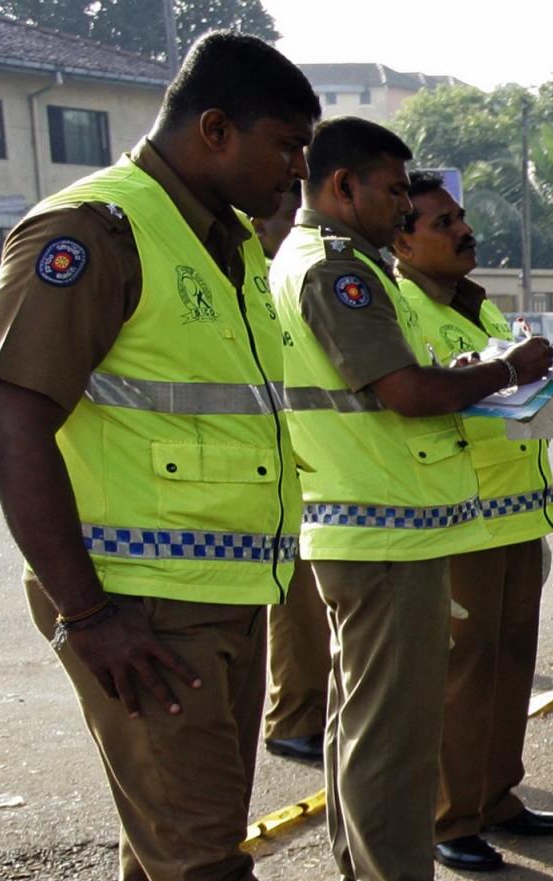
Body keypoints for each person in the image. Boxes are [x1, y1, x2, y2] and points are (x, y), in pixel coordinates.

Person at [0, 32, 428, 881]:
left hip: (210, 593)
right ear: (213, 130)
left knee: (174, 838)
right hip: (136, 609)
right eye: (285, 146)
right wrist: (89, 616)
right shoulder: (94, 233)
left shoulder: (215, 238)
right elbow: (13, 423)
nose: (296, 169)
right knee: (202, 855)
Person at [271, 116, 553, 881]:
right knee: (393, 735)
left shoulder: (303, 263)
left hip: (364, 519)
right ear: (341, 185)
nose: (404, 208)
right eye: (394, 191)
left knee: (356, 721)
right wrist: (510, 369)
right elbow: (404, 389)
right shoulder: (337, 268)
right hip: (383, 525)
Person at [390, 171, 553, 875]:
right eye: (443, 223)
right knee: (461, 675)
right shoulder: (401, 308)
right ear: (401, 239)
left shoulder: (479, 309)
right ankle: (449, 816)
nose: (465, 231)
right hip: (460, 517)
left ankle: (495, 796)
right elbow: (425, 394)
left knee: (506, 667)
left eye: (462, 217)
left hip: (514, 513)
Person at [252, 184, 330, 765]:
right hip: (284, 473)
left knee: (301, 607)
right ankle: (293, 718)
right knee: (298, 609)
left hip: (298, 466)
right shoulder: (269, 273)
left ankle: (297, 714)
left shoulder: (277, 272)